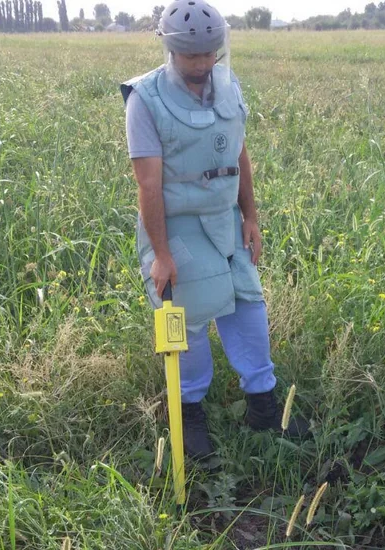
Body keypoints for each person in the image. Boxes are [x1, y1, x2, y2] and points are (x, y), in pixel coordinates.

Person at [120, 0, 309, 460]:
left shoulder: (228, 86)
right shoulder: (145, 99)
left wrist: (251, 217)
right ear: (170, 49)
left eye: (210, 54)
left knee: (249, 304)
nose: (203, 65)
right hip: (178, 226)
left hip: (226, 223)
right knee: (190, 315)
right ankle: (188, 414)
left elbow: (239, 156)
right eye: (192, 56)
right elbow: (147, 184)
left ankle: (264, 406)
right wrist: (161, 255)